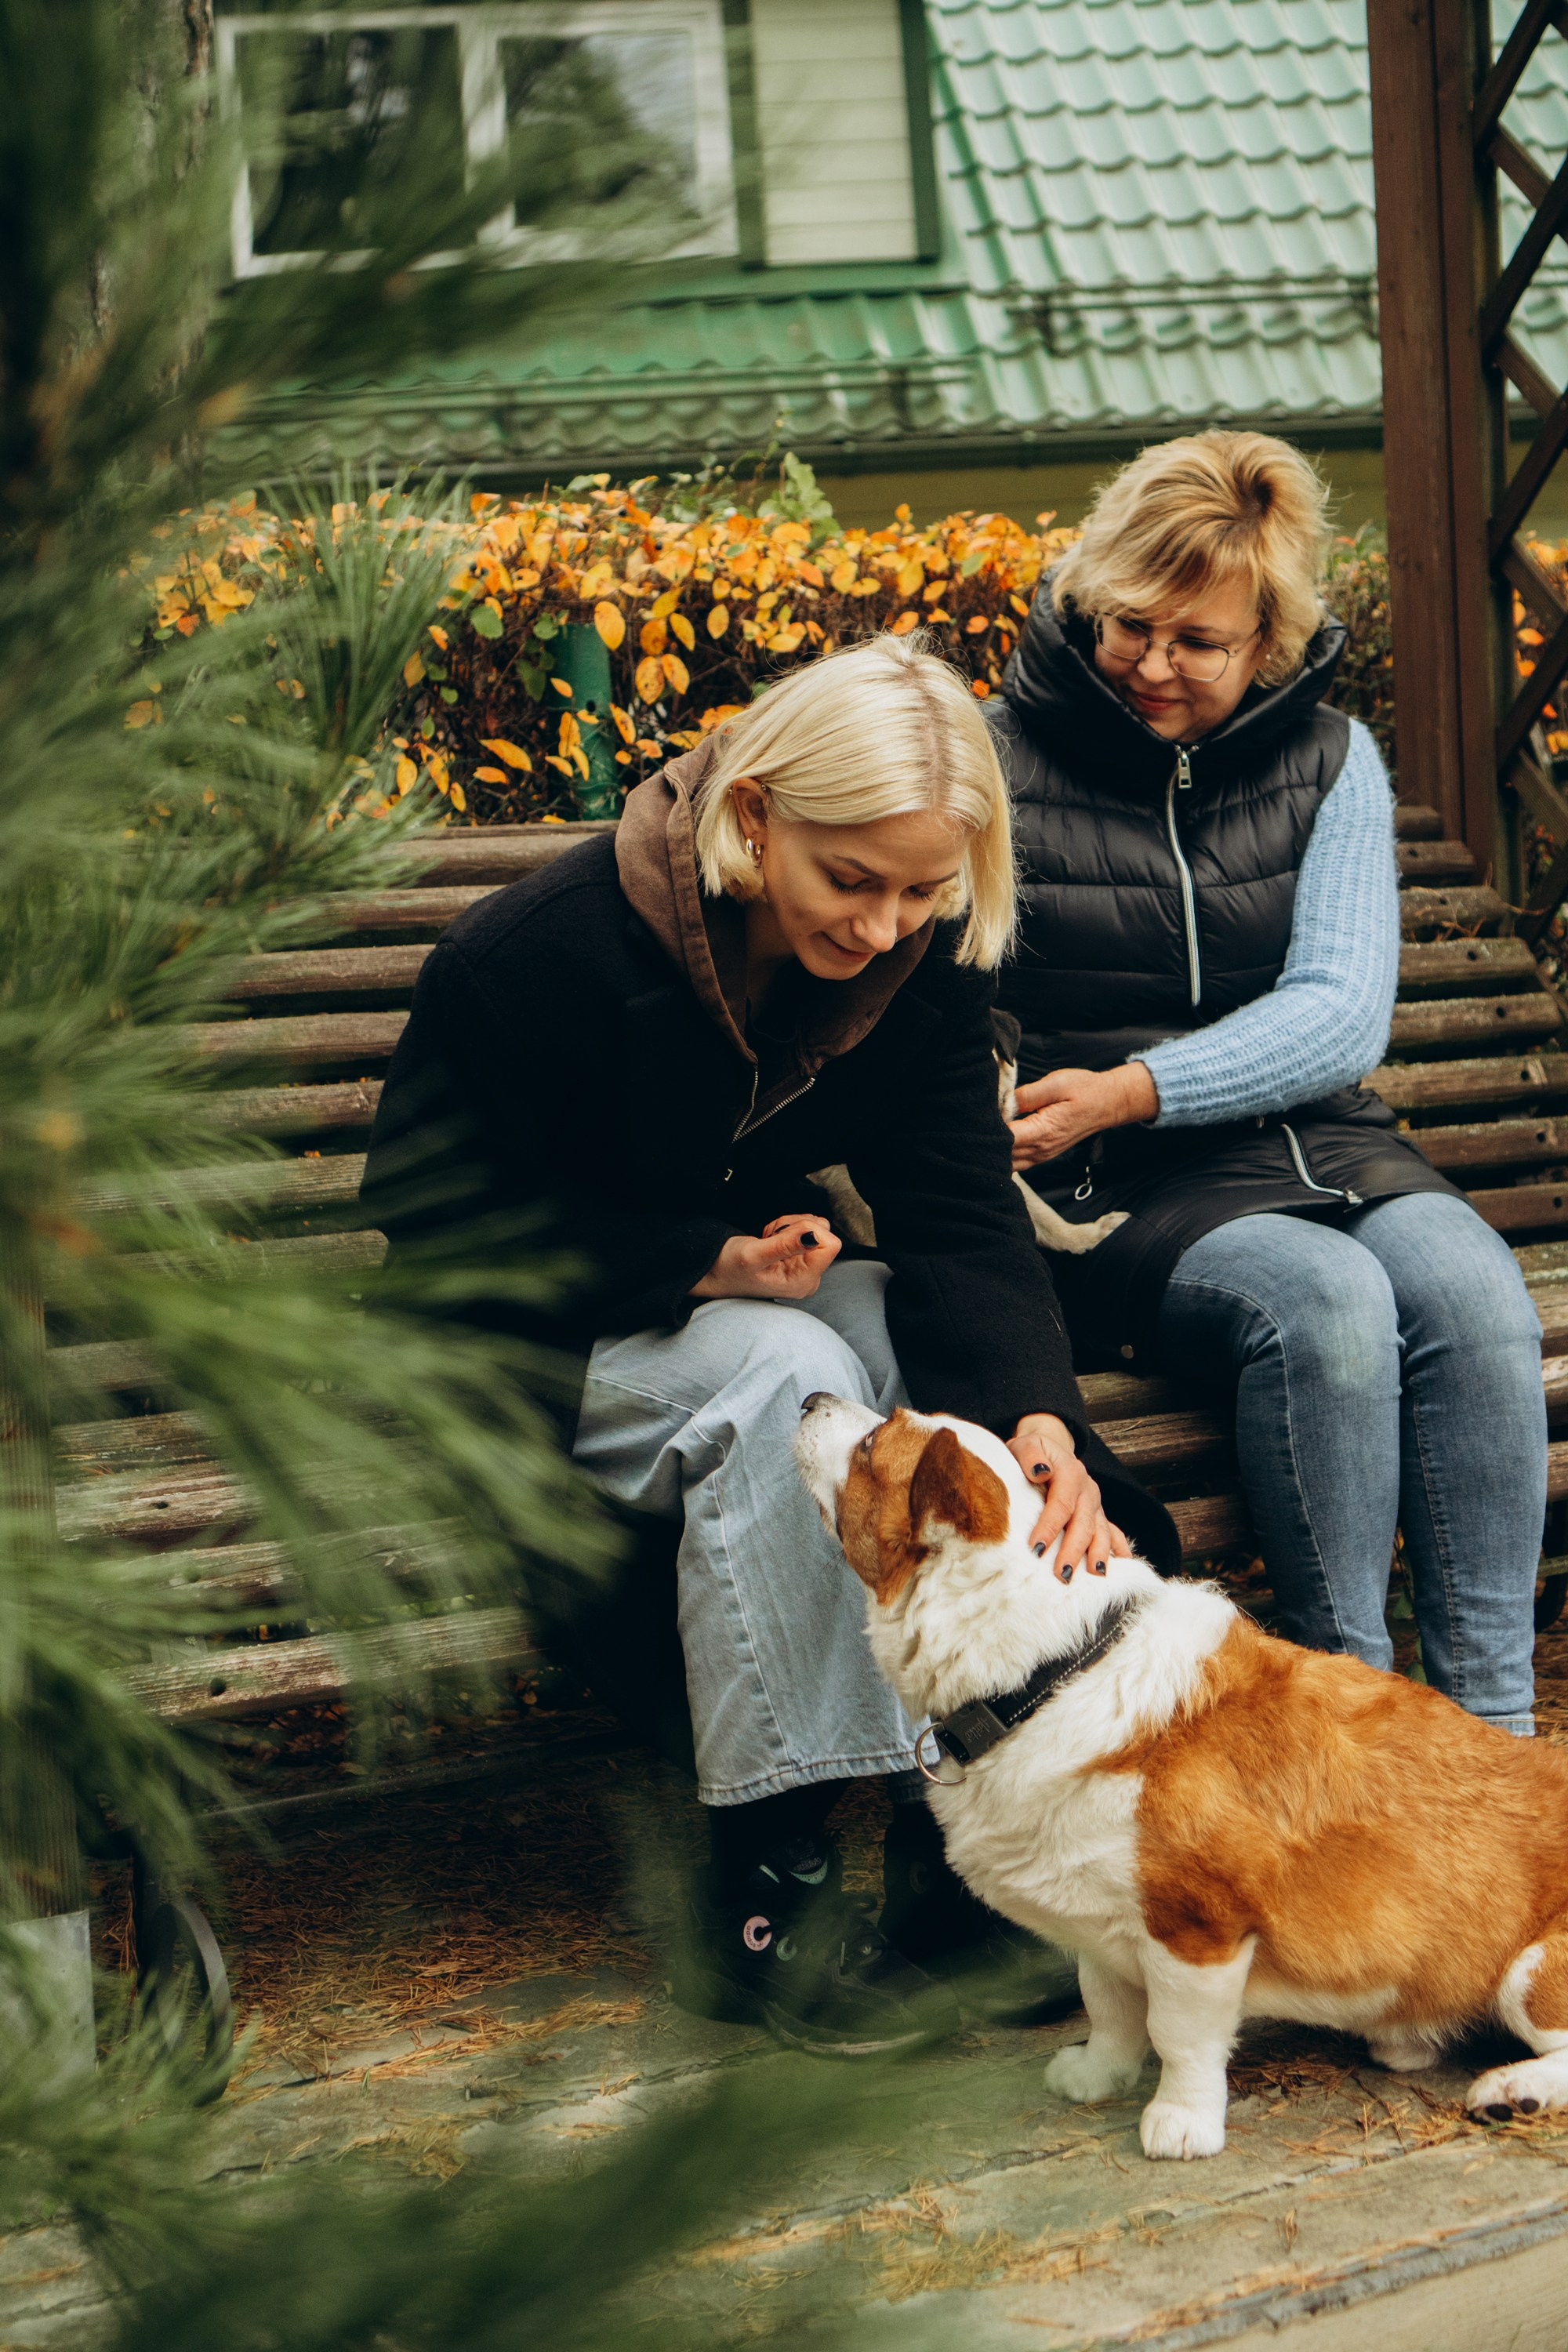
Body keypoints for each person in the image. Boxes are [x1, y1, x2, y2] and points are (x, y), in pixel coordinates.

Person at [361, 633, 1176, 2056]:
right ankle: (767, 1905)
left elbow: (956, 1216)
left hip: (741, 1308)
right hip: (518, 1348)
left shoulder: (916, 966)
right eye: (849, 880)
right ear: (753, 819)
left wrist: (1038, 1423)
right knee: (789, 1378)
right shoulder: (534, 956)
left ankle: (966, 1861)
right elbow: (435, 1227)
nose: (882, 926)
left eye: (924, 890)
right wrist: (694, 1260)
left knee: (926, 1380)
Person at [992, 428, 1545, 1737]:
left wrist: (1132, 1082)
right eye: (1133, 626)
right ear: (1088, 594)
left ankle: (1494, 1742)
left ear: (1269, 643)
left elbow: (1341, 1018)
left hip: (1311, 1141)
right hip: (1102, 1187)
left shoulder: (1332, 760)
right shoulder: (989, 760)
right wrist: (1069, 1110)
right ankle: (1341, 1719)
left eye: (1202, 642)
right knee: (1332, 1302)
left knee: (1476, 1295)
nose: (1155, 666)